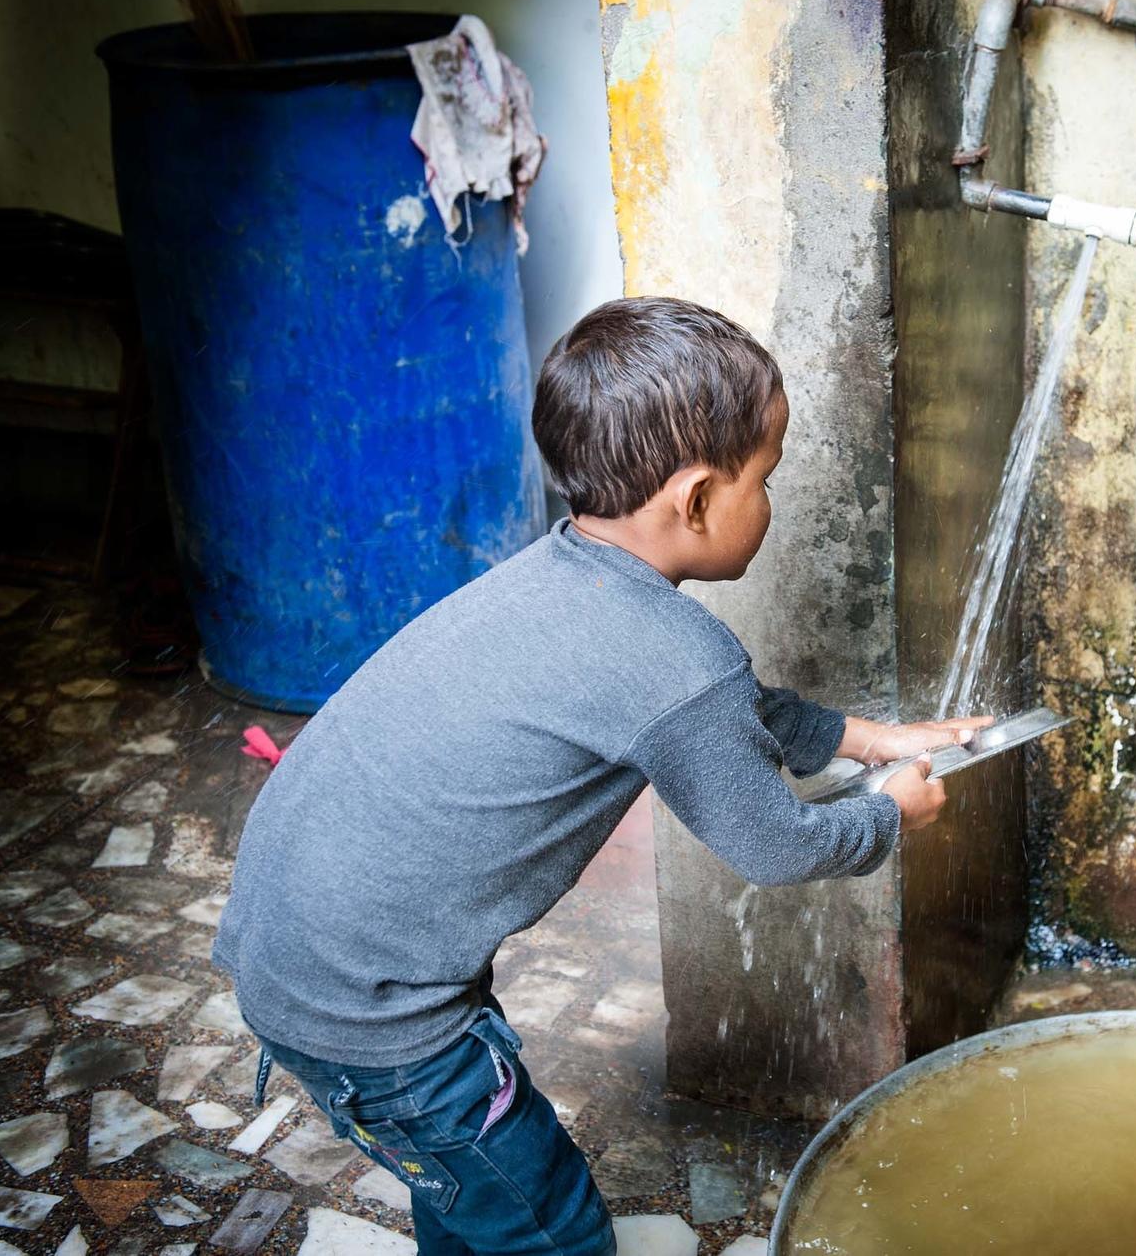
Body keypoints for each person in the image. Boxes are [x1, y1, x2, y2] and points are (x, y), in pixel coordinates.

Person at [212, 296, 987, 1255]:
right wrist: (888, 813)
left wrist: (867, 736)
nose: (772, 504)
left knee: (465, 1192)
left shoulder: (562, 575)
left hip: (289, 949)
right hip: (381, 1020)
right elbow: (776, 845)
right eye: (766, 479)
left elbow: (714, 712)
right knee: (551, 1228)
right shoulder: (678, 658)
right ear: (698, 499)